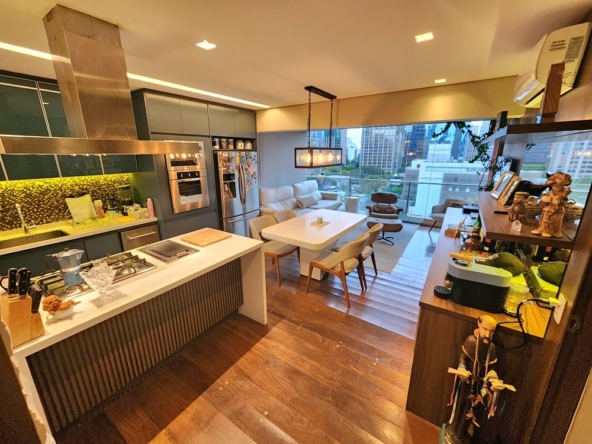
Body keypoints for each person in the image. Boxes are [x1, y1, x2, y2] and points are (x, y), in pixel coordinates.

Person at [444, 315, 512, 444]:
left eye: (491, 331)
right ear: (478, 324)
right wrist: (462, 368)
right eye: (485, 329)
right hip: (467, 382)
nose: (487, 334)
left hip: (481, 386)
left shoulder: (491, 348)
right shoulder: (471, 341)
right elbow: (463, 358)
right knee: (461, 407)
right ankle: (454, 431)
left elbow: (492, 367)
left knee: (476, 409)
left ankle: (465, 432)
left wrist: (492, 378)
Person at [531, 172, 572, 238]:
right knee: (544, 220)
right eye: (554, 177)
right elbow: (543, 200)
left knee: (554, 222)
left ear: (566, 182)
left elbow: (559, 201)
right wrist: (545, 199)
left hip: (557, 211)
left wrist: (550, 199)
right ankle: (542, 229)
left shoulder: (564, 193)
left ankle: (551, 232)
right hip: (547, 208)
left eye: (558, 178)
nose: (554, 179)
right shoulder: (550, 192)